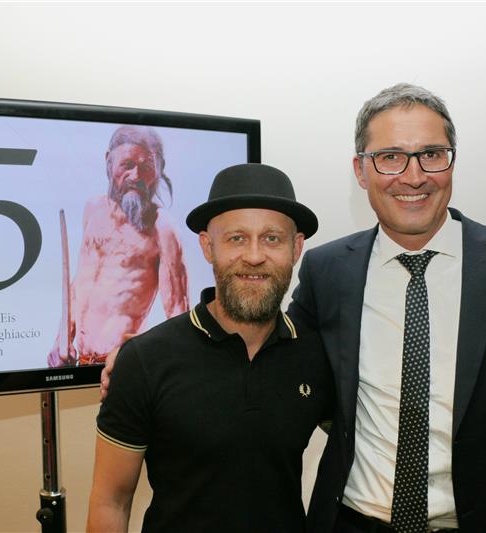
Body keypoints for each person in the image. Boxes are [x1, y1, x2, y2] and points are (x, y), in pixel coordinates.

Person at [287, 83, 486, 532]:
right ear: (361, 170)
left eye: (432, 154)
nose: (414, 176)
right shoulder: (327, 272)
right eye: (390, 157)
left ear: (451, 161)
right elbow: (289, 384)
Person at [87, 163, 332, 532]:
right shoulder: (145, 360)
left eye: (272, 239)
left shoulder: (317, 356)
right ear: (207, 246)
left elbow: (367, 440)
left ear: (296, 248)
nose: (254, 256)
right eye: (236, 238)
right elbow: (111, 501)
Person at [48, 125, 189, 367]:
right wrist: (61, 340)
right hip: (83, 364)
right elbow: (81, 285)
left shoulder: (162, 227)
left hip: (126, 368)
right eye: (127, 165)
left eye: (146, 167)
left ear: (160, 168)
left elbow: (178, 315)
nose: (136, 176)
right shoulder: (93, 209)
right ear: (109, 161)